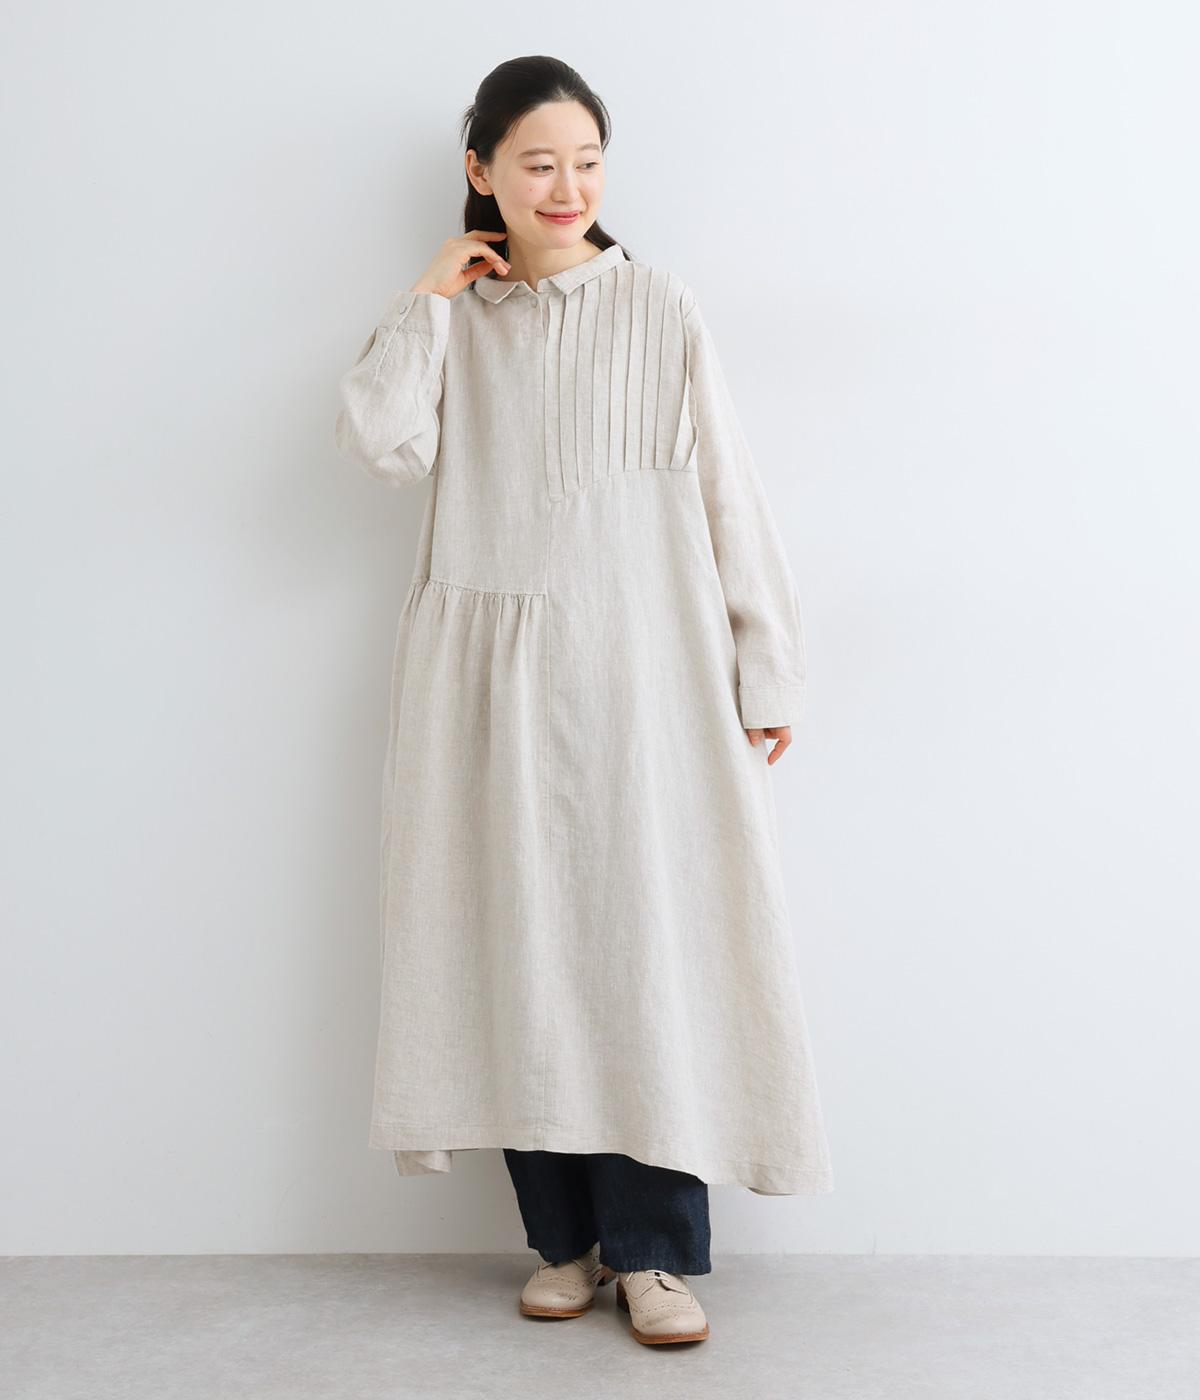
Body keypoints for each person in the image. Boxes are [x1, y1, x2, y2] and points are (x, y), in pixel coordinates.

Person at [335, 55, 834, 1347]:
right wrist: (428, 298)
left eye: (588, 163)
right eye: (539, 163)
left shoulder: (660, 305)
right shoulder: (459, 321)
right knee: (516, 947)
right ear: (482, 171)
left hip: (645, 676)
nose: (567, 188)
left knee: (646, 950)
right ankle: (562, 1241)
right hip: (486, 684)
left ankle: (656, 1256)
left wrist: (765, 662)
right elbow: (380, 443)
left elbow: (729, 490)